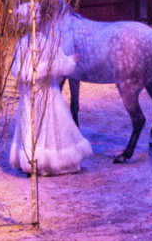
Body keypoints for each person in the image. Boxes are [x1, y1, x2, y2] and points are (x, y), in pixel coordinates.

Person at [9, 22, 92, 176]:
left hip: (31, 93)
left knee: (32, 124)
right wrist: (71, 60)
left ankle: (35, 161)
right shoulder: (46, 42)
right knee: (50, 124)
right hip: (46, 93)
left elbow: (18, 70)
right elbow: (59, 64)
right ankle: (47, 162)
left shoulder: (22, 43)